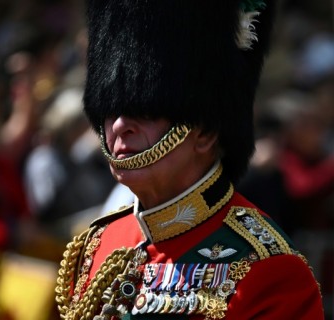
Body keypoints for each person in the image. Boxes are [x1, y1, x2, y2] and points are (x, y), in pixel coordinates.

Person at [55, 0, 324, 319]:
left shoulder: (269, 270)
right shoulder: (97, 245)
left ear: (205, 132)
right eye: (111, 110)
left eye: (144, 111)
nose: (118, 126)